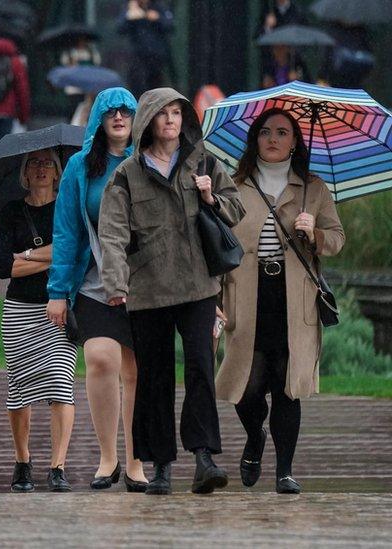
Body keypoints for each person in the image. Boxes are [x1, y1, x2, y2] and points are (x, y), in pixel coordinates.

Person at [97, 87, 245, 496]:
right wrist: (115, 283)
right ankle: (159, 466)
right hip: (147, 291)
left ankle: (204, 458)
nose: (171, 120)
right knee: (154, 377)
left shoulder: (203, 162)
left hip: (198, 285)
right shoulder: (126, 174)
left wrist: (210, 195)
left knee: (200, 367)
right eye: (162, 113)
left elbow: (236, 208)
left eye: (177, 112)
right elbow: (111, 233)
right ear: (147, 121)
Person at [215, 108, 344, 494]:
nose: (273, 138)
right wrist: (214, 297)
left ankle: (284, 470)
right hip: (246, 294)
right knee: (246, 386)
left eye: (282, 132)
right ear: (255, 138)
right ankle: (255, 436)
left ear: (295, 141)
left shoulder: (313, 188)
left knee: (289, 385)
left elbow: (337, 239)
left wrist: (315, 233)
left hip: (294, 299)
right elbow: (218, 243)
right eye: (266, 131)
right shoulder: (234, 186)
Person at [47, 87, 149, 492]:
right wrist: (58, 290)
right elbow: (67, 229)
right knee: (101, 359)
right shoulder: (78, 167)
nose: (120, 117)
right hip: (94, 283)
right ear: (99, 119)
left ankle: (137, 458)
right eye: (111, 111)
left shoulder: (147, 160)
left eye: (127, 111)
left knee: (137, 370)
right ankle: (108, 457)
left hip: (144, 284)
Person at [0, 149, 79, 493]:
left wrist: (28, 254)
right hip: (19, 312)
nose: (42, 169)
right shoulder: (12, 211)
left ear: (59, 173)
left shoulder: (68, 207)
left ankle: (58, 466)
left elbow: (75, 252)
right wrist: (55, 254)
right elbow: (4, 268)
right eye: (34, 163)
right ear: (25, 174)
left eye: (48, 163)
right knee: (20, 391)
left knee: (62, 384)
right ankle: (22, 460)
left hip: (59, 309)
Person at [117, 0, 174, 97]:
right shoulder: (130, 7)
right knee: (137, 85)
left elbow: (170, 25)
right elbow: (120, 28)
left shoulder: (158, 6)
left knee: (155, 88)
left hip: (156, 57)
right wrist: (129, 16)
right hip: (137, 57)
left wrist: (157, 18)